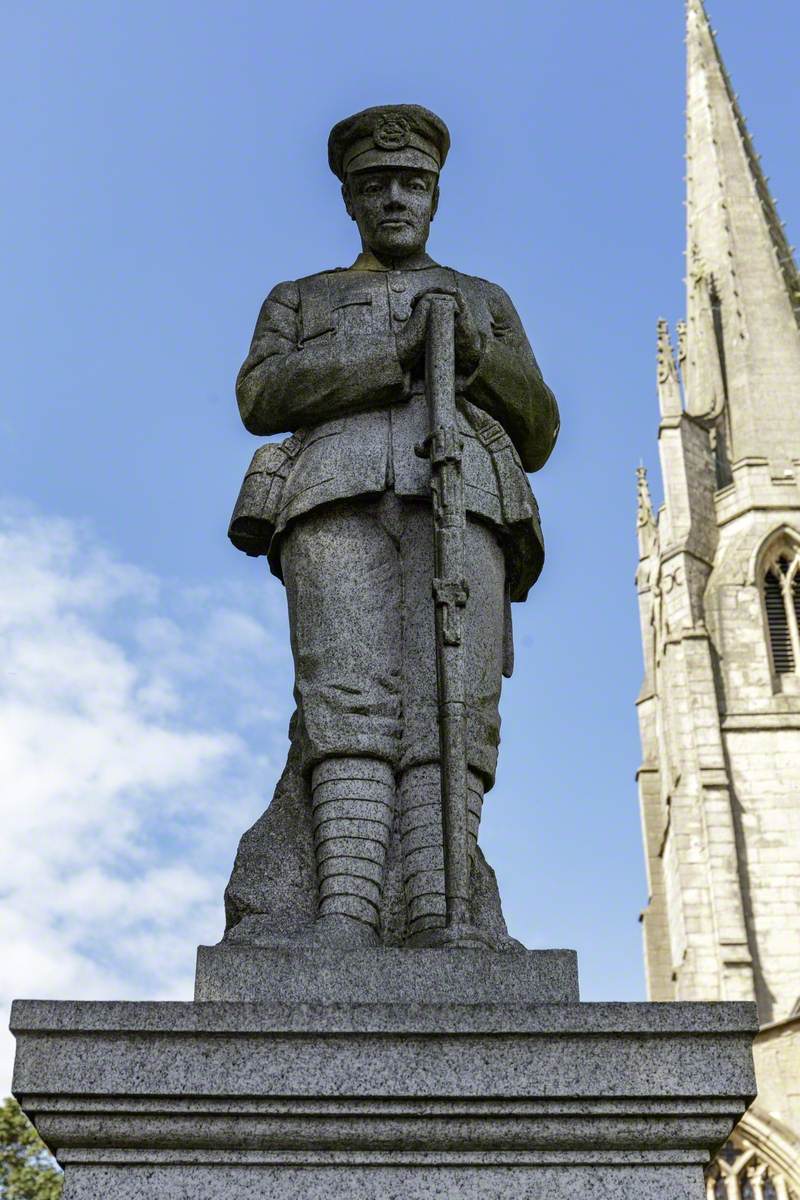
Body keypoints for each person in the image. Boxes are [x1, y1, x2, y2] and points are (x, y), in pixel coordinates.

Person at [231, 104, 559, 948]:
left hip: (467, 501)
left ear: (437, 194)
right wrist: (394, 357)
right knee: (347, 704)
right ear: (349, 200)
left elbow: (542, 427)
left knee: (456, 711)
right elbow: (260, 396)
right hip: (332, 499)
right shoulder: (300, 298)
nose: (396, 200)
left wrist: (473, 357)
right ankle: (341, 912)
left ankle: (439, 912)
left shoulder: (485, 301)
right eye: (376, 186)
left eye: (414, 184)